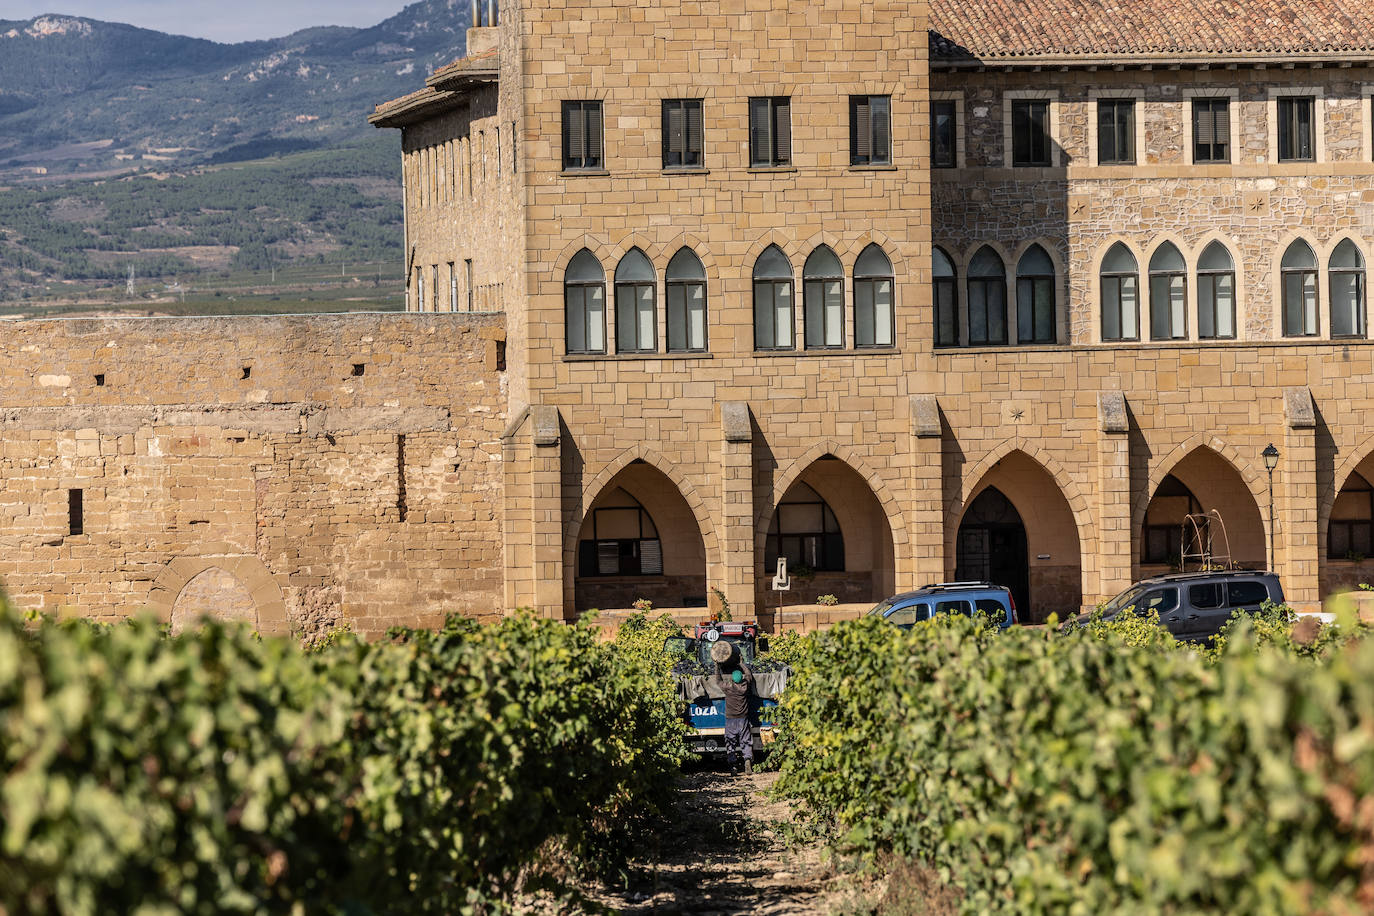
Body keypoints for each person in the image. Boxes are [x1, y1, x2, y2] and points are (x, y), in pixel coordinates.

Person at [721, 661, 755, 775]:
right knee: (745, 740)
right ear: (742, 679)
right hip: (743, 719)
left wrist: (716, 667)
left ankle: (733, 766)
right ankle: (747, 760)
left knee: (730, 742)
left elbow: (717, 681)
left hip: (730, 719)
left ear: (732, 679)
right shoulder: (745, 687)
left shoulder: (728, 688)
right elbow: (749, 675)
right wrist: (741, 663)